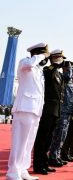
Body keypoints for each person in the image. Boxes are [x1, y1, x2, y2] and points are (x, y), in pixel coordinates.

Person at [6, 43, 49, 180]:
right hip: (24, 107)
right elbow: (29, 64)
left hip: (35, 110)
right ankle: (13, 171)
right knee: (20, 142)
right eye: (44, 55)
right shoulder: (25, 63)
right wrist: (41, 55)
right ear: (37, 54)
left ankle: (23, 169)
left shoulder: (38, 70)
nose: (45, 58)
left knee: (29, 142)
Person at [33, 49, 65, 175]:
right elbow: (48, 76)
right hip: (47, 109)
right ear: (54, 58)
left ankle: (44, 163)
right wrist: (53, 64)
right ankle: (38, 165)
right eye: (60, 58)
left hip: (56, 110)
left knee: (49, 139)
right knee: (42, 138)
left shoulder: (59, 74)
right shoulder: (48, 71)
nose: (61, 60)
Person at [48, 60, 73, 166]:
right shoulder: (62, 78)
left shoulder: (70, 82)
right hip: (62, 110)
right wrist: (68, 70)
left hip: (68, 111)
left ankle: (57, 155)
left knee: (63, 135)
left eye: (71, 69)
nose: (70, 71)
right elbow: (67, 77)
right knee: (58, 134)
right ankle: (53, 156)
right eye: (68, 68)